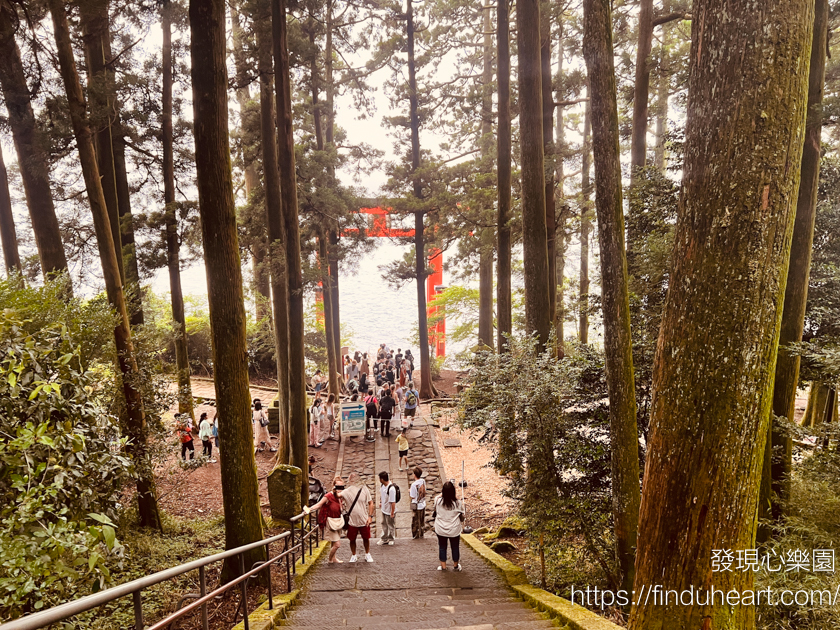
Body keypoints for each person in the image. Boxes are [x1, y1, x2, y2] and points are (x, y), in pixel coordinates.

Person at [306, 476, 345, 563]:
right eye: (338, 487)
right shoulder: (328, 496)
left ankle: (333, 558)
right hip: (330, 522)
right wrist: (308, 510)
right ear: (334, 486)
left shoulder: (340, 497)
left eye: (341, 487)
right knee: (337, 544)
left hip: (338, 521)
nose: (339, 489)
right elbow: (318, 505)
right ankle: (330, 560)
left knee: (333, 542)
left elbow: (341, 509)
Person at [341, 473, 375, 562]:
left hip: (364, 519)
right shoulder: (347, 491)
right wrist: (335, 489)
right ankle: (353, 555)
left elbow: (371, 502)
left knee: (366, 538)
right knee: (352, 539)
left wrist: (370, 516)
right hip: (352, 520)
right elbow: (338, 496)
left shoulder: (364, 489)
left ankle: (367, 553)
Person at [433, 481, 465, 571]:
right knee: (455, 547)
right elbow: (462, 514)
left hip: (441, 528)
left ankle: (443, 566)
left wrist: (443, 493)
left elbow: (438, 496)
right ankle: (455, 566)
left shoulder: (438, 501)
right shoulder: (458, 503)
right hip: (454, 529)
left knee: (442, 547)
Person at [377, 471, 397, 546]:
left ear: (382, 479)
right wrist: (381, 502)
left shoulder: (391, 489)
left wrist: (392, 512)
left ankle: (391, 538)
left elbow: (393, 502)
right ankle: (384, 538)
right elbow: (381, 495)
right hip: (384, 509)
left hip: (389, 510)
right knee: (384, 523)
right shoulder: (382, 486)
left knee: (390, 524)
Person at [410, 466, 427, 539]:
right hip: (422, 503)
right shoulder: (423, 481)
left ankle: (416, 534)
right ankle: (421, 532)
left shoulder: (414, 485)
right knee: (422, 520)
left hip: (416, 505)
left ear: (414, 474)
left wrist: (410, 491)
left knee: (416, 521)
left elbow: (413, 496)